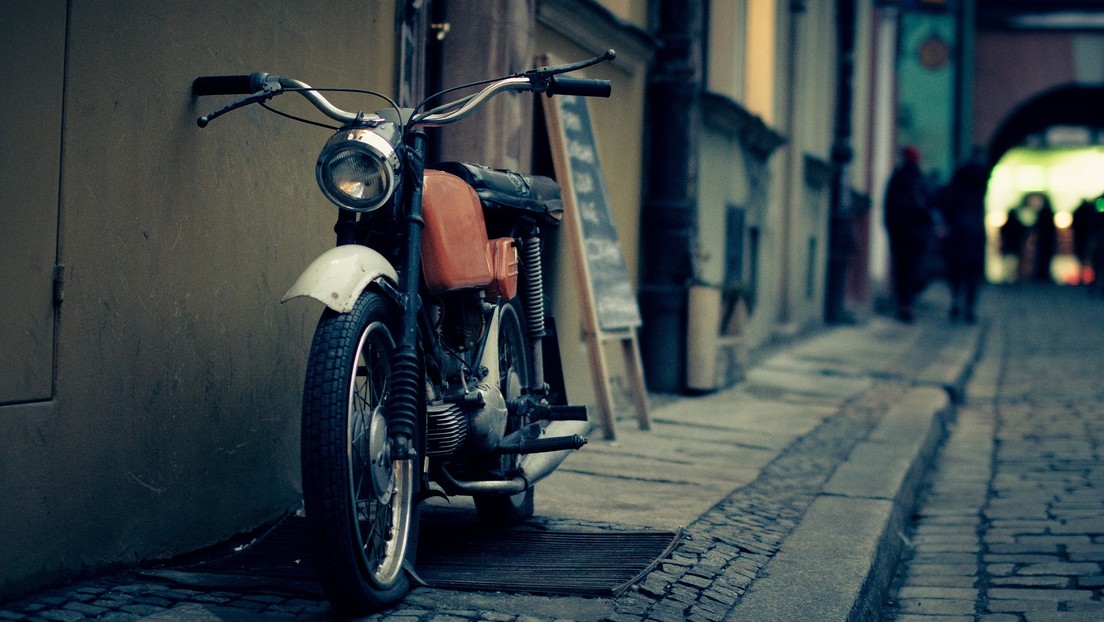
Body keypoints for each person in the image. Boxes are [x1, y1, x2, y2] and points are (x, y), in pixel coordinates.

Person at [883, 145, 933, 322]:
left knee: (900, 268)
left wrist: (889, 227)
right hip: (916, 233)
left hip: (899, 232)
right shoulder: (920, 178)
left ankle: (903, 304)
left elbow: (887, 206)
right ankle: (908, 304)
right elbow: (927, 204)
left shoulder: (896, 177)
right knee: (914, 268)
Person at [937, 154, 988, 323]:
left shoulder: (956, 188)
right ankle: (969, 307)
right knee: (972, 273)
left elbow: (946, 206)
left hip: (957, 234)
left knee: (956, 271)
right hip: (975, 234)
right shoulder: (979, 190)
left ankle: (956, 300)